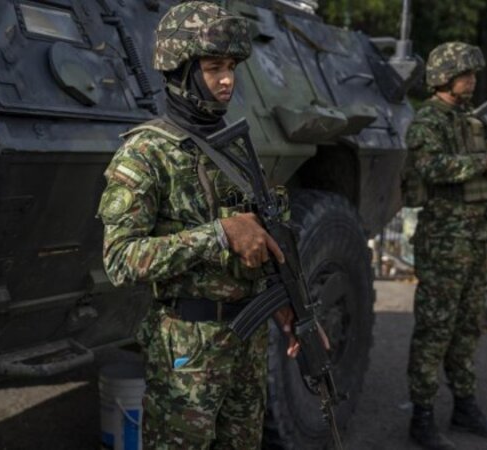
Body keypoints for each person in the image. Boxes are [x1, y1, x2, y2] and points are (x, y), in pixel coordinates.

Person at [97, 2, 299, 448]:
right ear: (181, 71)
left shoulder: (233, 146)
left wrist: (288, 302)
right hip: (186, 353)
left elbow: (265, 236)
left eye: (231, 67)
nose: (227, 79)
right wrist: (220, 235)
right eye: (213, 67)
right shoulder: (146, 153)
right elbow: (119, 260)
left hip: (246, 344)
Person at [405, 42, 487, 450]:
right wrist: (482, 164)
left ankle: (464, 404)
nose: (471, 79)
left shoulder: (472, 121)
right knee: (435, 327)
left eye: (473, 73)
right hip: (443, 240)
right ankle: (422, 416)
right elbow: (429, 166)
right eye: (464, 73)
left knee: (467, 326)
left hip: (476, 236)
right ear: (443, 77)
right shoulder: (428, 120)